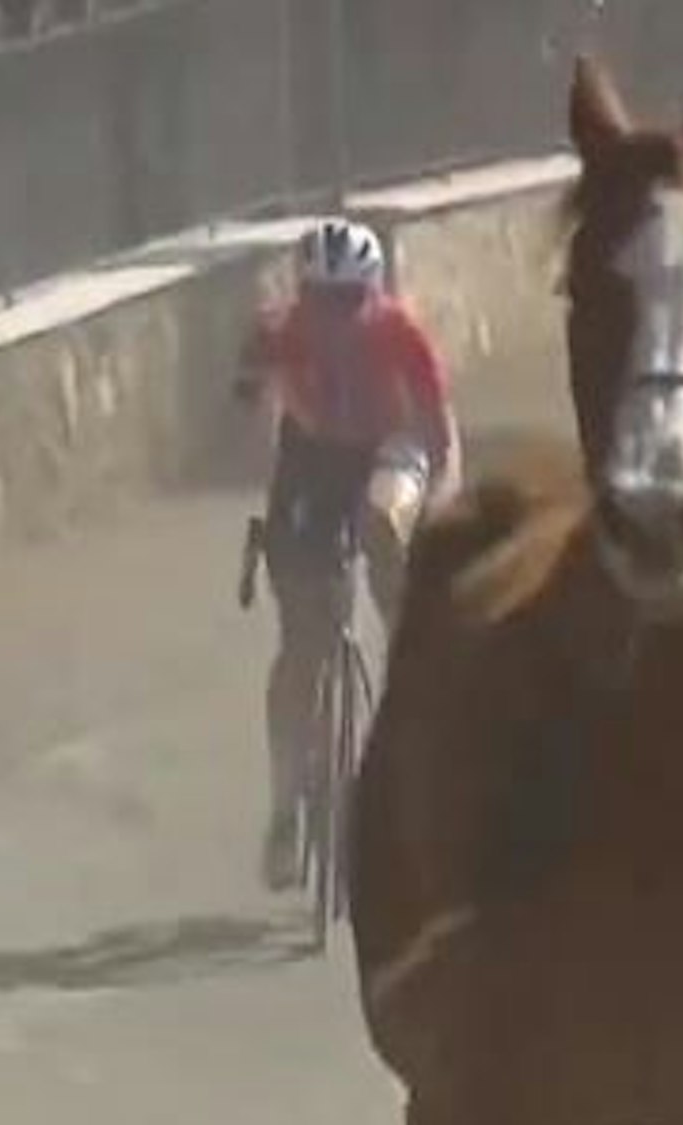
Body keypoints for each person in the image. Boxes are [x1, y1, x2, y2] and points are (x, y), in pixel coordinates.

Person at [235, 217, 460, 892]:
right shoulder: (279, 328)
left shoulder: (400, 332)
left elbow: (440, 438)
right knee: (303, 638)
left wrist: (437, 510)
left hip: (390, 447)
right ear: (302, 294)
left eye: (348, 301)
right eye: (320, 301)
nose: (334, 318)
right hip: (311, 459)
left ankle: (409, 662)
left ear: (372, 293)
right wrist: (253, 383)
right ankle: (284, 807)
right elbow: (247, 408)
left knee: (383, 523)